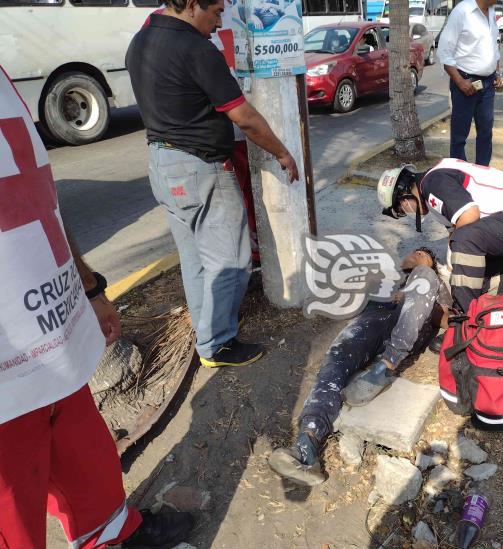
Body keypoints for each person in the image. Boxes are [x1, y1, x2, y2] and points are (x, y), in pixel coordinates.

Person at [0, 67, 193, 548]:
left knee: (89, 463)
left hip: (52, 340)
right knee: (14, 517)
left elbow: (38, 197)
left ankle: (114, 535)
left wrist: (89, 288)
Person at [126, 0, 300, 369]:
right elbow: (246, 118)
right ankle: (217, 343)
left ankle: (205, 332)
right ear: (191, 5)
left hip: (162, 163)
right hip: (200, 167)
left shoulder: (140, 41)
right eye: (216, 11)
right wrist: (282, 152)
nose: (219, 20)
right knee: (232, 262)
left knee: (195, 259)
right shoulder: (196, 49)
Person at [269, 249, 449, 485]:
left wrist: (414, 288)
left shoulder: (433, 280)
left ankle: (386, 365)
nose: (415, 257)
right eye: (414, 254)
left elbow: (443, 318)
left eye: (421, 253)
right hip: (374, 322)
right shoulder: (394, 276)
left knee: (423, 276)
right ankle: (306, 443)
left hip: (405, 328)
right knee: (336, 358)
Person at [377, 159, 503, 316]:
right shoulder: (431, 186)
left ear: (403, 198)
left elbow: (469, 217)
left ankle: (465, 320)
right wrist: (454, 262)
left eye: (402, 210)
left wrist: (453, 256)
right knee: (473, 273)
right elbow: (455, 229)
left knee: (464, 242)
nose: (407, 212)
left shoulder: (433, 182)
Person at [436, 0, 502, 167]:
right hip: (465, 83)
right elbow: (444, 51)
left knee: (486, 132)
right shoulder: (462, 11)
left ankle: (482, 172)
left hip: (488, 84)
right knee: (460, 135)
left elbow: (494, 45)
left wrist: (497, 71)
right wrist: (459, 81)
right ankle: (458, 173)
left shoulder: (492, 11)